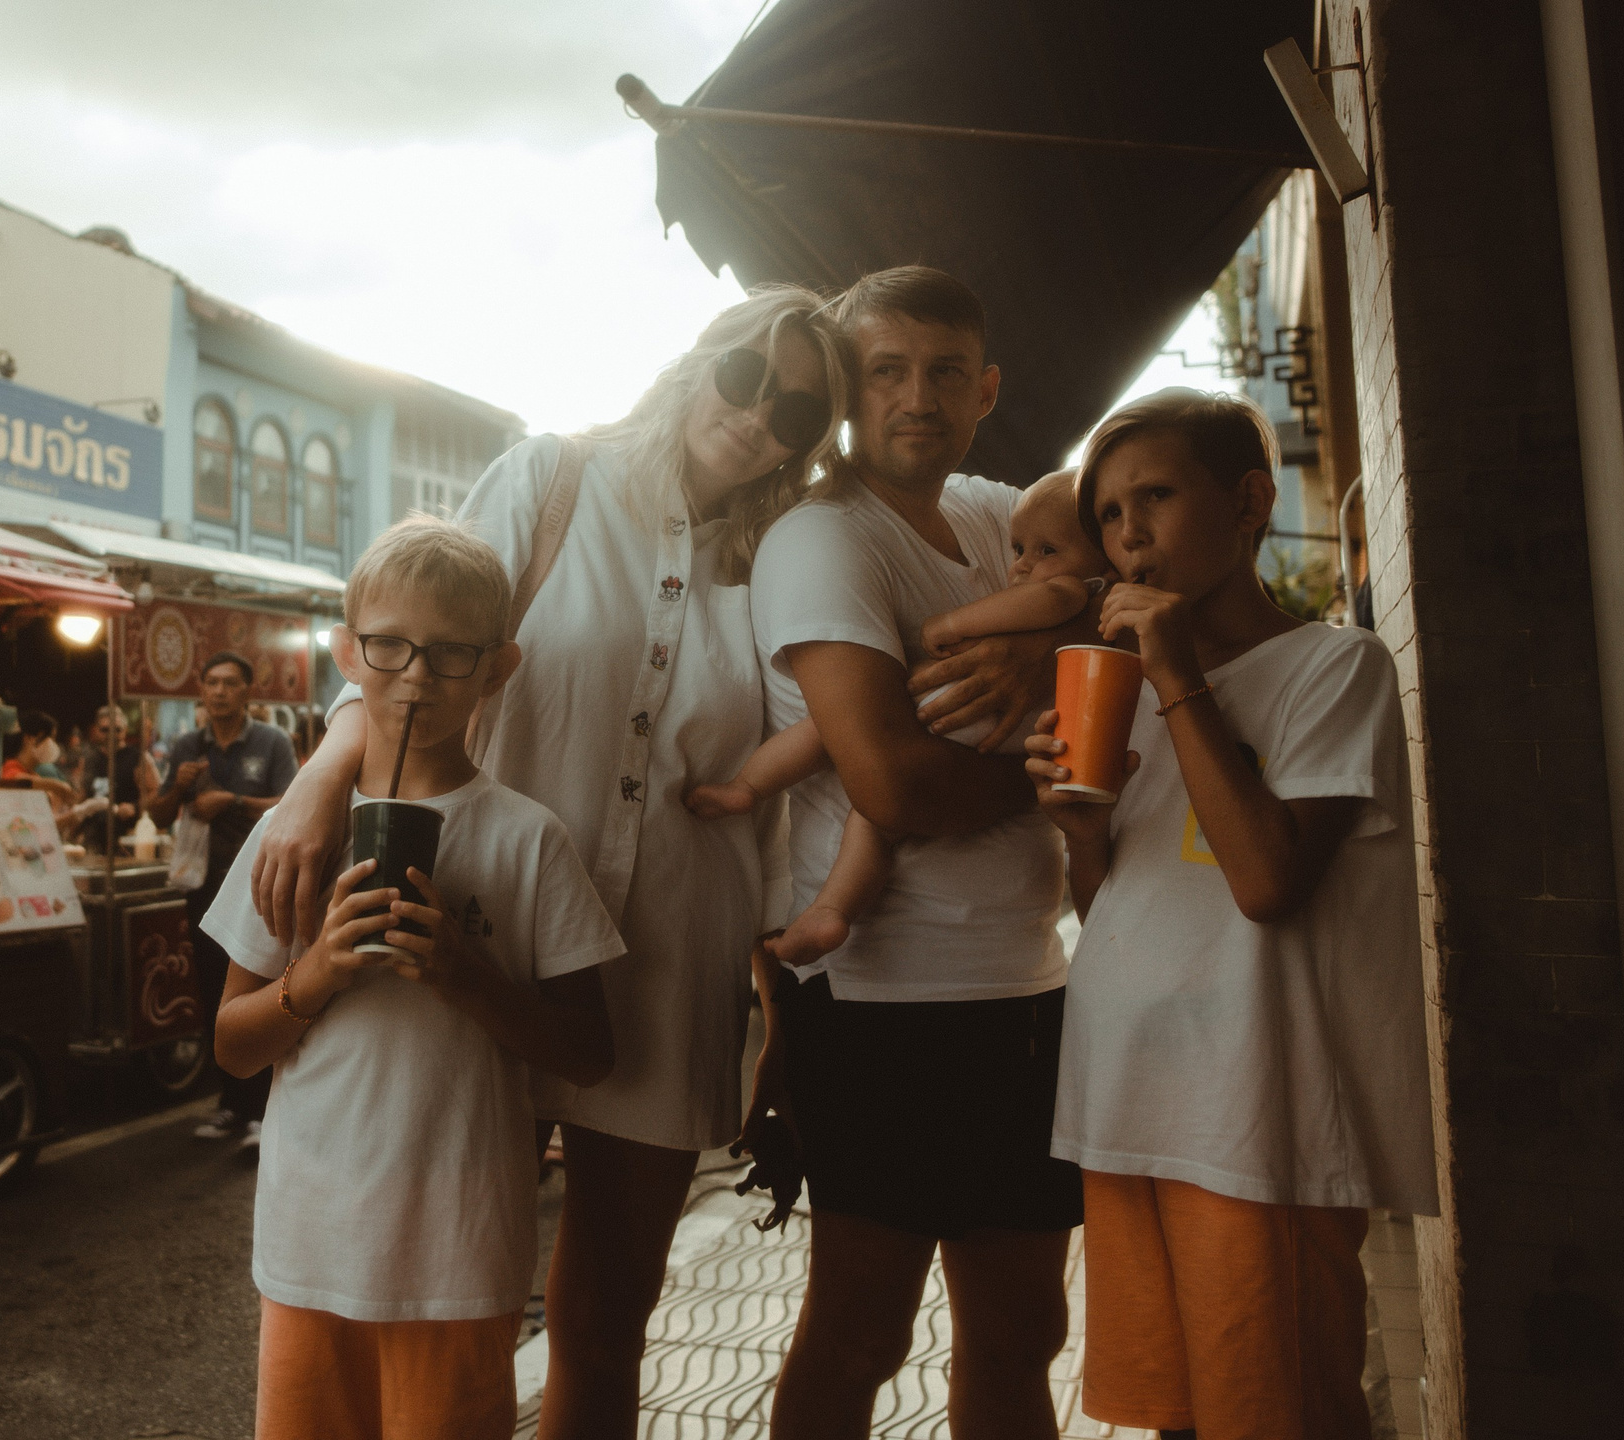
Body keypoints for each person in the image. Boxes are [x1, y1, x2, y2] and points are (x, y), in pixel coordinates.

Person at [249, 284, 1012, 1437]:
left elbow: (792, 780)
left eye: (801, 409)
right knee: (426, 1291)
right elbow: (420, 646)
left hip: (667, 959)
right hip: (481, 924)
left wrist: (780, 1011)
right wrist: (316, 782)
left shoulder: (783, 554)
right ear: (696, 361)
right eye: (748, 377)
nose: (761, 417)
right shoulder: (552, 477)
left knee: (607, 1315)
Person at [1025, 390, 1436, 1438]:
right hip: (1129, 1108)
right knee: (1172, 1416)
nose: (1128, 536)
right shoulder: (1137, 697)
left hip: (1258, 1123)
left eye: (1154, 496)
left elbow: (1265, 883)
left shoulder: (1332, 668)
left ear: (1249, 501)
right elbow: (1117, 911)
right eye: (1110, 515)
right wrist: (1079, 829)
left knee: (1278, 1412)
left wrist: (1171, 676)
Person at [748, 266, 1081, 1436]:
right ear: (847, 388)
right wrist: (1045, 772)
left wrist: (1053, 655)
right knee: (859, 1334)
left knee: (1020, 1334)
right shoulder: (821, 539)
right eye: (885, 371)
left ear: (985, 388)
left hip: (1027, 987)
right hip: (885, 997)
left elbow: (1101, 584)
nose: (916, 398)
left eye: (944, 371)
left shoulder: (994, 515)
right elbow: (889, 776)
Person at [203, 516, 623, 1440]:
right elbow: (232, 1047)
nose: (417, 678)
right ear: (349, 654)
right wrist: (314, 976)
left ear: (498, 668)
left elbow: (590, 1053)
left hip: (458, 1255)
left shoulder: (527, 838)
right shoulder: (294, 836)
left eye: (450, 654)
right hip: (312, 1241)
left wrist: (468, 977)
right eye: (389, 647)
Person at [688, 468, 1113, 969]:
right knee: (869, 814)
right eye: (1018, 548)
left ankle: (753, 792)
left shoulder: (1072, 589)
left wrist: (950, 622)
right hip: (985, 725)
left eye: (1046, 551)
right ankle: (828, 903)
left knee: (831, 745)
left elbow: (1048, 600)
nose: (1020, 566)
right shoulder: (822, 531)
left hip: (973, 712)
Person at [151, 651, 297, 1149]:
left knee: (258, 994)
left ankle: (262, 1109)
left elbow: (294, 802)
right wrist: (181, 787)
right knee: (215, 995)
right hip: (205, 887)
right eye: (211, 683)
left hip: (260, 887)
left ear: (247, 691)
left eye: (229, 683)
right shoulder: (188, 744)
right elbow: (158, 813)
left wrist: (232, 801)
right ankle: (231, 1106)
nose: (219, 692)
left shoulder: (271, 742)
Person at [79, 705, 160, 855]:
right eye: (105, 730)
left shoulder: (138, 758)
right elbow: (82, 796)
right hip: (93, 838)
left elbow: (156, 792)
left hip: (126, 837)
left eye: (117, 729)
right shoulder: (90, 759)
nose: (111, 734)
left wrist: (134, 807)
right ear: (96, 730)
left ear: (125, 730)